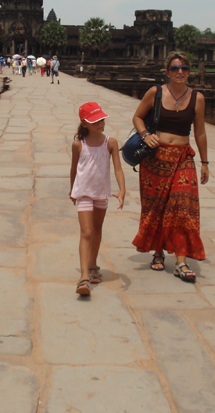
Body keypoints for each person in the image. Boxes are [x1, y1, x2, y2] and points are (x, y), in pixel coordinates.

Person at [131, 52, 208, 282]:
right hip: (155, 158)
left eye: (184, 68)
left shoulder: (198, 98)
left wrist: (204, 162)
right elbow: (137, 117)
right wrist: (145, 135)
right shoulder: (155, 93)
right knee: (156, 207)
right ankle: (157, 252)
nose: (180, 72)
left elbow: (200, 132)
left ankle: (181, 261)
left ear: (189, 71)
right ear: (167, 72)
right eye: (175, 68)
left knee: (183, 206)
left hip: (183, 157)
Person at [69, 102, 125, 296]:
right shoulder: (79, 144)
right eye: (94, 122)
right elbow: (74, 169)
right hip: (84, 191)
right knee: (86, 231)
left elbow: (117, 167)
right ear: (84, 124)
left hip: (101, 193)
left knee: (98, 229)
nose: (100, 124)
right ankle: (84, 276)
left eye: (101, 120)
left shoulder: (111, 142)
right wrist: (72, 190)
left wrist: (122, 189)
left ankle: (92, 263)